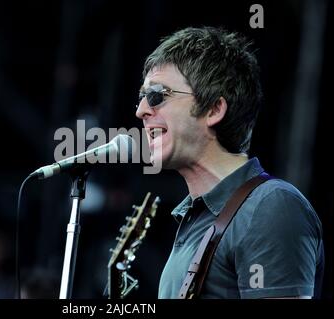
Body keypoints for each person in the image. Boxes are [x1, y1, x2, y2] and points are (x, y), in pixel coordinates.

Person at [135, 26, 324, 299]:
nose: (141, 110)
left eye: (157, 95)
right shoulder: (194, 218)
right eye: (141, 97)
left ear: (213, 109)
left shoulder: (270, 206)